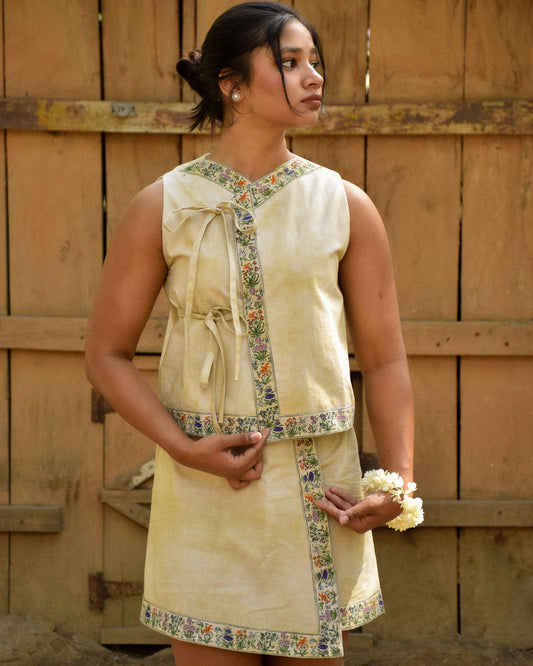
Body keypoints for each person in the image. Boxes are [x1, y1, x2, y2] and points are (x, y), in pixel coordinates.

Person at [85, 2, 421, 664]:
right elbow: (106, 354)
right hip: (205, 491)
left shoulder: (344, 205)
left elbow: (385, 361)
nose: (314, 76)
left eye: (315, 62)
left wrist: (397, 484)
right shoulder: (163, 205)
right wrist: (183, 449)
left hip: (320, 494)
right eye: (290, 62)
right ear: (231, 84)